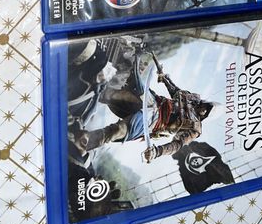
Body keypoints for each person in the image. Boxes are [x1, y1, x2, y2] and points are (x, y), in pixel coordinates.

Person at [72, 57, 214, 160]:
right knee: (111, 94)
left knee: (118, 130)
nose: (204, 110)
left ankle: (82, 143)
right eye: (206, 107)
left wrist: (157, 152)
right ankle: (76, 90)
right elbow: (175, 91)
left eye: (206, 112)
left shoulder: (195, 129)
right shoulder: (192, 98)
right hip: (153, 100)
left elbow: (177, 145)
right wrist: (164, 77)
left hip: (153, 121)